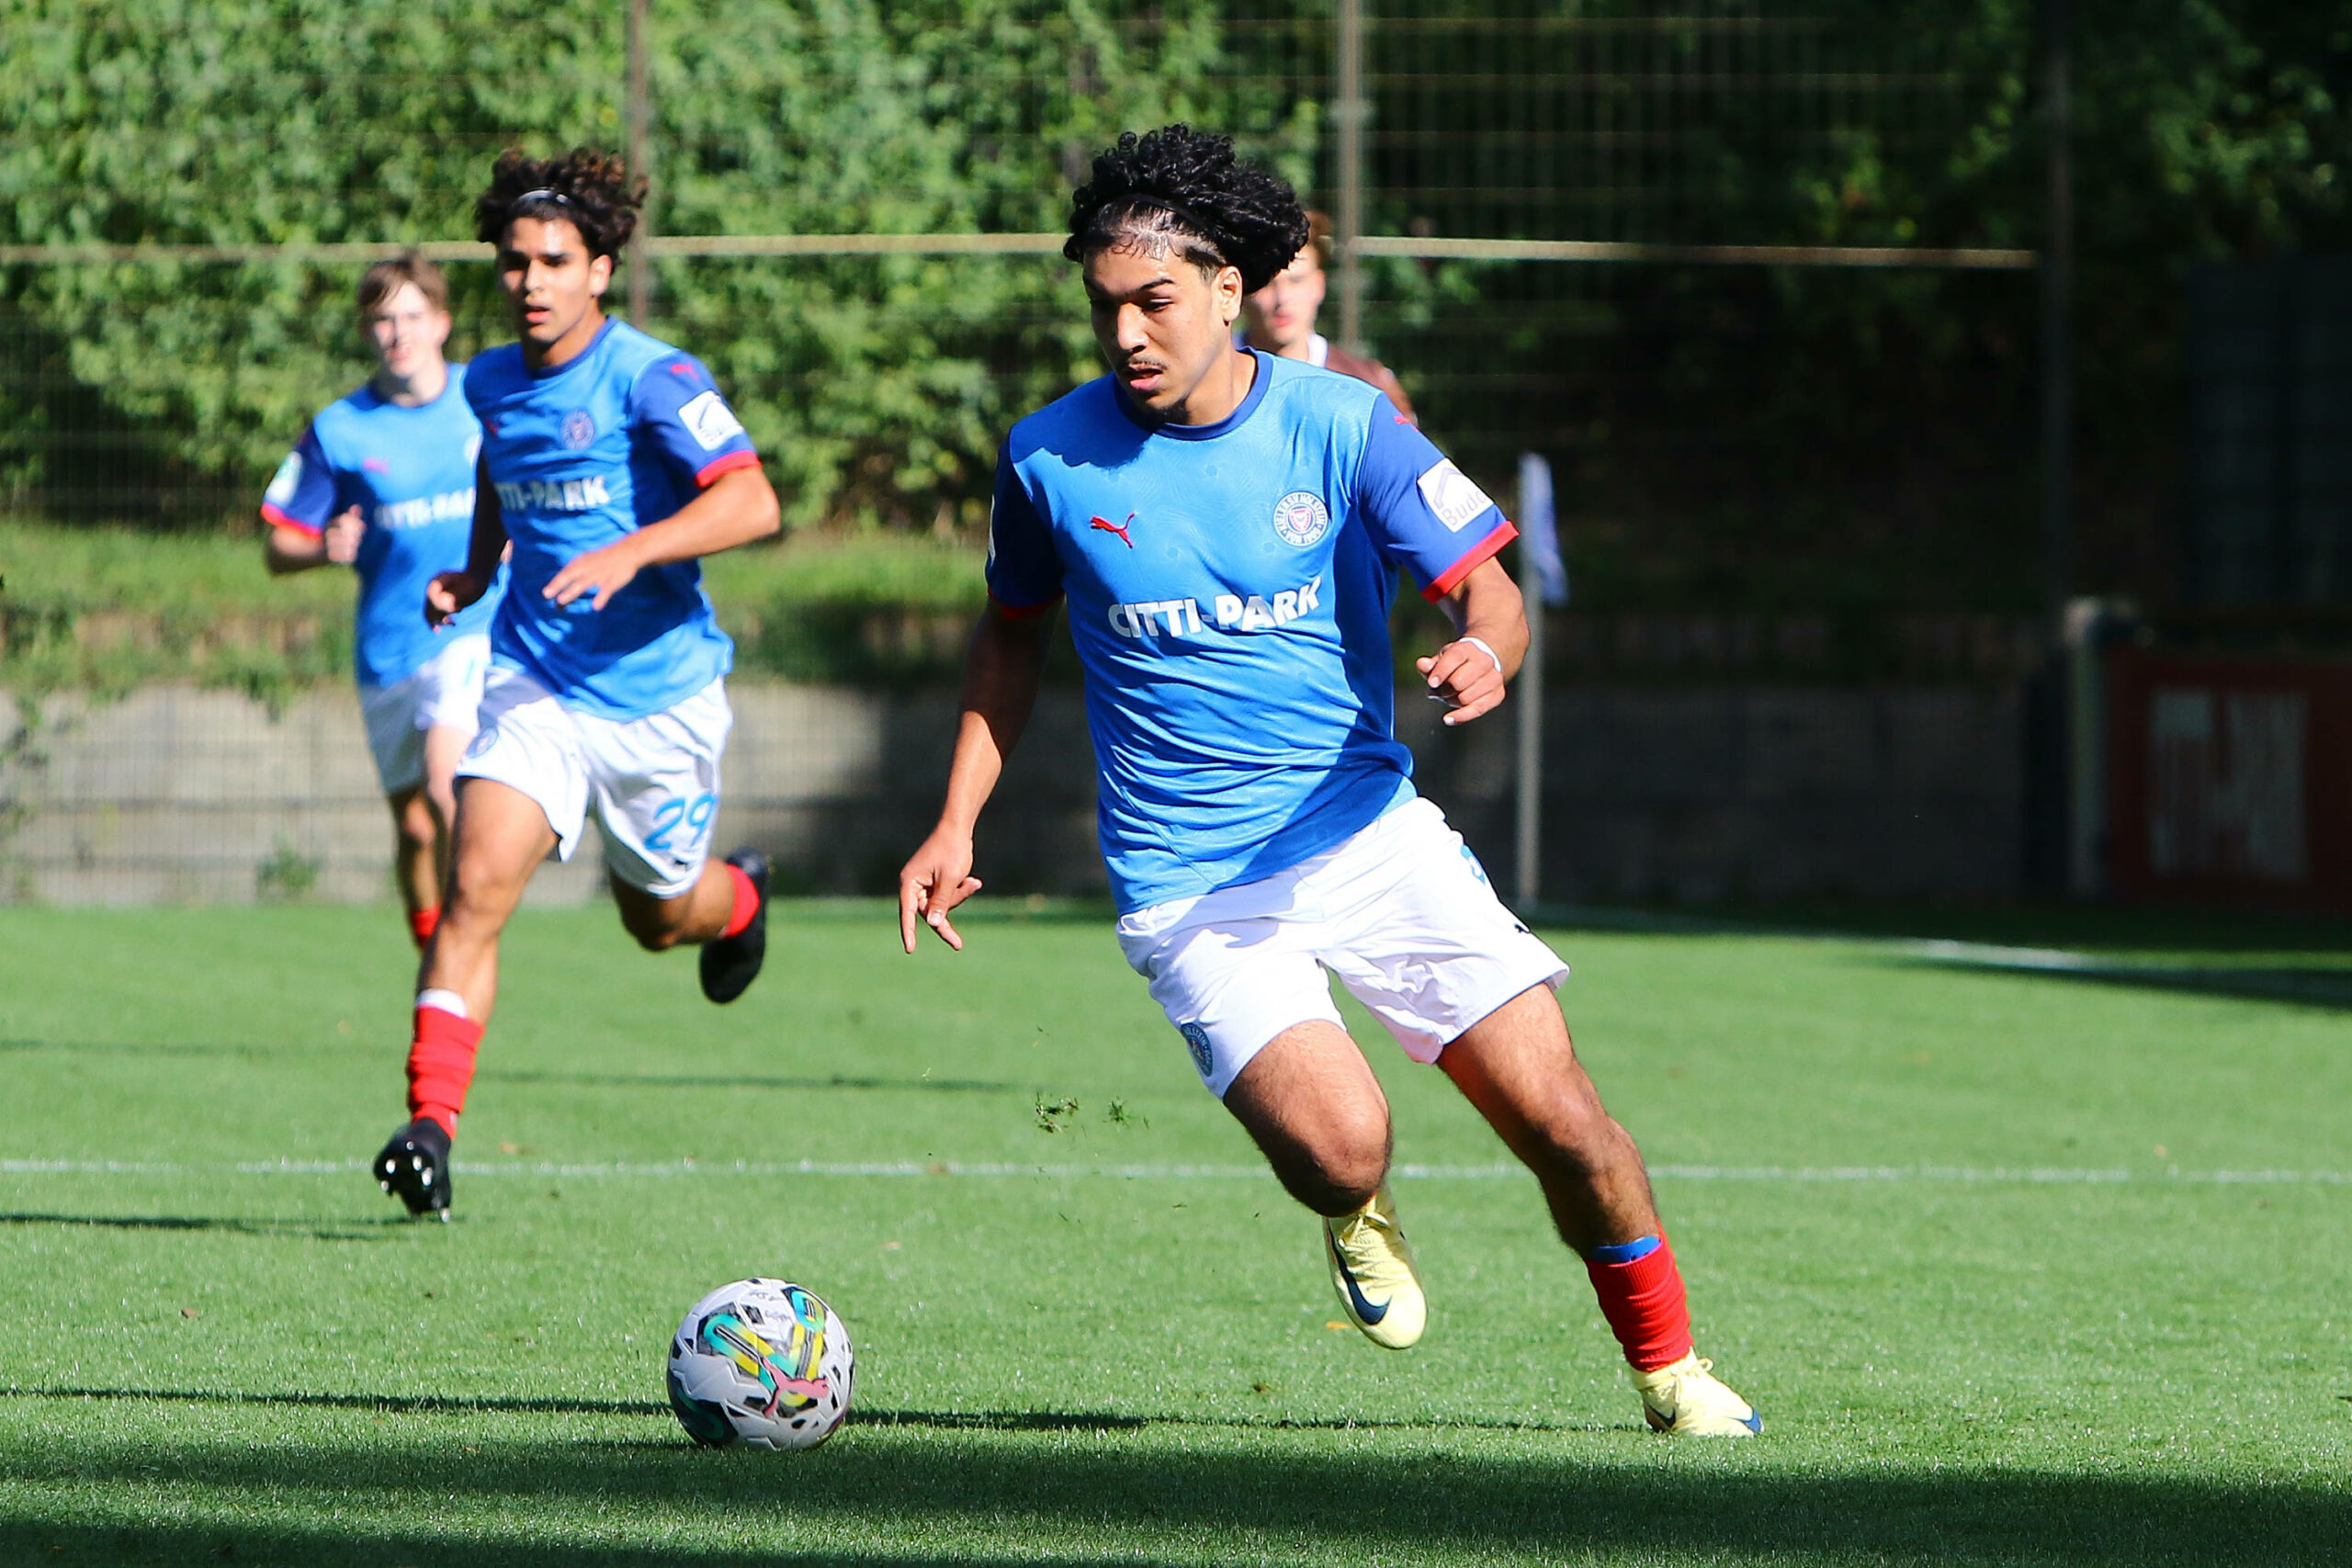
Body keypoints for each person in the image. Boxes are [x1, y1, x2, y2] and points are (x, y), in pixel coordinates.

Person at [899, 125, 1757, 1436]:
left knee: (1566, 1122)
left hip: (1369, 836)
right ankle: (1354, 1206)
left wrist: (1485, 646)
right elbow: (1007, 635)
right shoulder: (1046, 458)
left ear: (1230, 289)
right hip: (1194, 887)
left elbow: (1490, 585)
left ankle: (1671, 1369)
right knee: (1340, 1143)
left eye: (1154, 301)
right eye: (1105, 306)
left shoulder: (1347, 424)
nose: (1126, 332)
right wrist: (956, 818)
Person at [371, 147, 782, 1219]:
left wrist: (631, 551)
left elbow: (750, 503)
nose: (532, 282)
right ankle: (430, 1128)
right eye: (515, 263)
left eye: (555, 261)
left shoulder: (655, 376)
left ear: (600, 269)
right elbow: (498, 472)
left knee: (657, 920)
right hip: (534, 682)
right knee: (473, 887)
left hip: (658, 699)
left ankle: (738, 902)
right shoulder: (492, 380)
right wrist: (475, 567)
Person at [262, 254, 500, 952]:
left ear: (442, 323)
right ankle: (432, 945)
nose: (399, 333)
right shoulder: (340, 430)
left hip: (468, 629)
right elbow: (278, 547)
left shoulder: (482, 400)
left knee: (446, 780)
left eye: (413, 316)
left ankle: (466, 941)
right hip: (388, 647)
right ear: (368, 331)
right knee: (415, 827)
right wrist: (322, 546)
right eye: (384, 319)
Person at [1238, 209, 1416, 422]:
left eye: (1296, 281)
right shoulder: (1205, 376)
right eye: (1267, 284)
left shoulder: (1368, 384)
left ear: (1319, 285)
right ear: (1239, 289)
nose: (1282, 298)